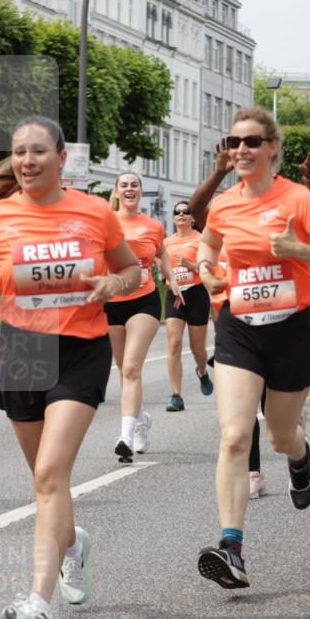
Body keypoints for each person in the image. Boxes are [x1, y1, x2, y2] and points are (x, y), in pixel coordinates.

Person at [0, 116, 141, 619]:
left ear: (62, 157)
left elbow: (133, 272)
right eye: (20, 152)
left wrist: (112, 281)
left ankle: (37, 603)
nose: (28, 160)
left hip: (80, 350)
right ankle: (73, 544)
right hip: (21, 351)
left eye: (39, 150)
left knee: (50, 473)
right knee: (45, 479)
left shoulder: (94, 211)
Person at [195, 108, 310, 589]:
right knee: (234, 436)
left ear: (272, 148)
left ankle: (300, 459)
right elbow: (207, 246)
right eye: (234, 141)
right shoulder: (225, 204)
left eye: (251, 141)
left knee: (281, 437)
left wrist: (301, 251)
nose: (240, 149)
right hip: (239, 328)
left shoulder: (298, 200)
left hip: (290, 330)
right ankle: (232, 547)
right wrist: (207, 270)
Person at [104, 171, 181, 456]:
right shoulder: (105, 223)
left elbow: (161, 254)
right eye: (123, 185)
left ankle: (125, 436)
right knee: (124, 371)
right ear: (115, 192)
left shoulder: (153, 225)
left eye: (134, 185)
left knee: (132, 367)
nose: (129, 189)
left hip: (144, 301)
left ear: (140, 191)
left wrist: (171, 278)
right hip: (112, 303)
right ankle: (140, 420)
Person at [162, 200, 214, 407]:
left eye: (186, 211)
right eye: (177, 211)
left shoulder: (201, 239)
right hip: (174, 295)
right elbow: (160, 265)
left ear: (193, 218)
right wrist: (168, 276)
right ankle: (176, 396)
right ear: (173, 217)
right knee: (174, 344)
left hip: (196, 294)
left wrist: (190, 264)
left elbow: (209, 268)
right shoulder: (166, 242)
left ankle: (202, 371)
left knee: (198, 349)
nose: (181, 214)